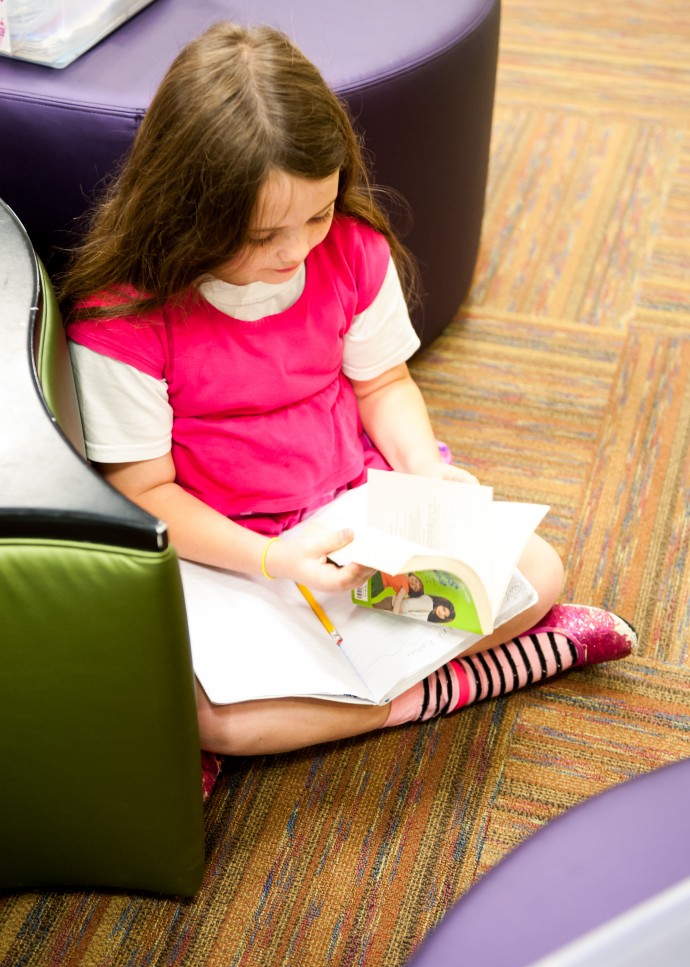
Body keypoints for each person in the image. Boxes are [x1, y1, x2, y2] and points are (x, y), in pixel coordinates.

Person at [60, 22, 636, 756]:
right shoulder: (124, 317)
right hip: (228, 552)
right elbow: (145, 490)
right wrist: (271, 559)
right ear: (185, 210)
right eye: (262, 234)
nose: (296, 249)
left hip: (352, 508)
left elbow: (385, 384)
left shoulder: (351, 252)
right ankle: (454, 686)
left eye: (317, 213)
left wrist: (424, 470)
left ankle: (372, 695)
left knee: (537, 572)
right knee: (218, 718)